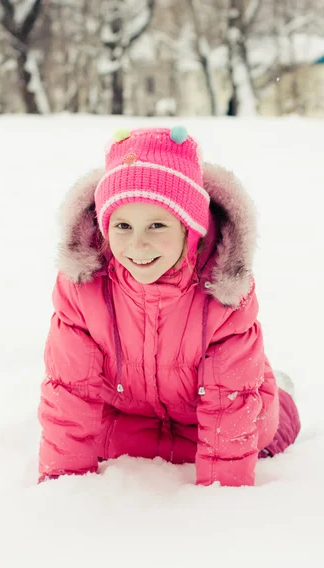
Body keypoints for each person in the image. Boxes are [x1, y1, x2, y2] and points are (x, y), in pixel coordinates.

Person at [38, 126, 300, 487]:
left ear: (189, 228)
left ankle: (281, 388)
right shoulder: (84, 287)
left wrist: (222, 499)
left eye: (157, 225)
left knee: (263, 424)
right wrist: (64, 485)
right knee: (95, 433)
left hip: (205, 427)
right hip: (125, 421)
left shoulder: (222, 291)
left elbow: (229, 403)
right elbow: (71, 391)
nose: (138, 244)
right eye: (123, 225)